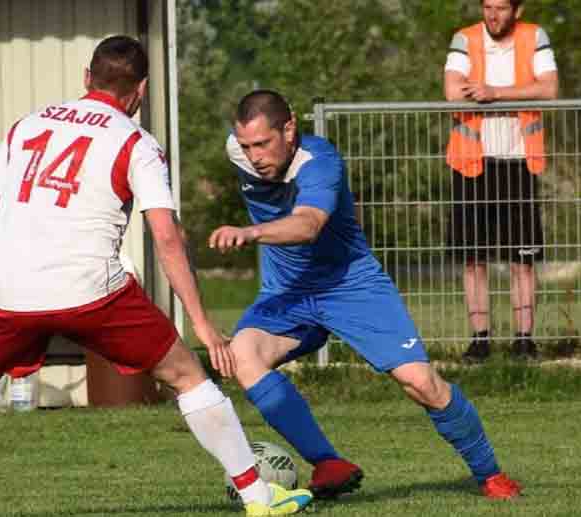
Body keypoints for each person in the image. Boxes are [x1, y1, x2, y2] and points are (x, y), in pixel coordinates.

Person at [0, 37, 313, 517]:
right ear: (141, 90)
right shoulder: (135, 142)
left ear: (87, 77)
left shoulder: (26, 125)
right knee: (188, 376)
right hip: (91, 291)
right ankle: (258, 499)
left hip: (11, 289)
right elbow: (167, 237)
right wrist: (202, 324)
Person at [208, 89, 523, 500]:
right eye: (247, 146)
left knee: (420, 383)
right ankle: (328, 463)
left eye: (264, 144)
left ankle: (490, 474)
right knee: (243, 356)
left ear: (289, 129)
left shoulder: (320, 162)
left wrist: (250, 232)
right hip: (288, 292)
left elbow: (308, 225)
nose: (255, 156)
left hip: (350, 286)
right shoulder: (238, 150)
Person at [444, 0, 559, 361]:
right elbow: (453, 92)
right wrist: (521, 90)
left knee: (522, 259)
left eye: (502, 8)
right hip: (470, 162)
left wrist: (494, 93)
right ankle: (480, 340)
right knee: (473, 258)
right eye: (488, 7)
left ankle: (524, 340)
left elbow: (548, 89)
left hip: (519, 160)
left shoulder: (534, 36)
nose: (493, 15)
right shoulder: (464, 39)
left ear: (517, 10)